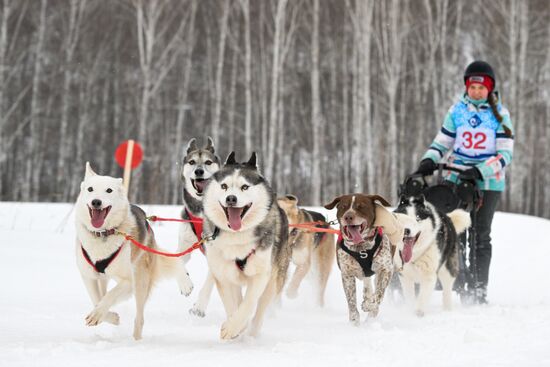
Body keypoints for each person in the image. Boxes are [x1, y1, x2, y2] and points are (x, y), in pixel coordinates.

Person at [414, 60, 514, 304]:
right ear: (467, 87)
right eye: (473, 87)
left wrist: (479, 171)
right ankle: (458, 283)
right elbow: (443, 142)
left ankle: (478, 291)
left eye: (482, 88)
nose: (477, 92)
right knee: (454, 231)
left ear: (489, 89)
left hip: (487, 183)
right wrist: (429, 159)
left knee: (480, 235)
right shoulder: (457, 111)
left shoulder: (500, 114)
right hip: (455, 179)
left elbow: (505, 154)